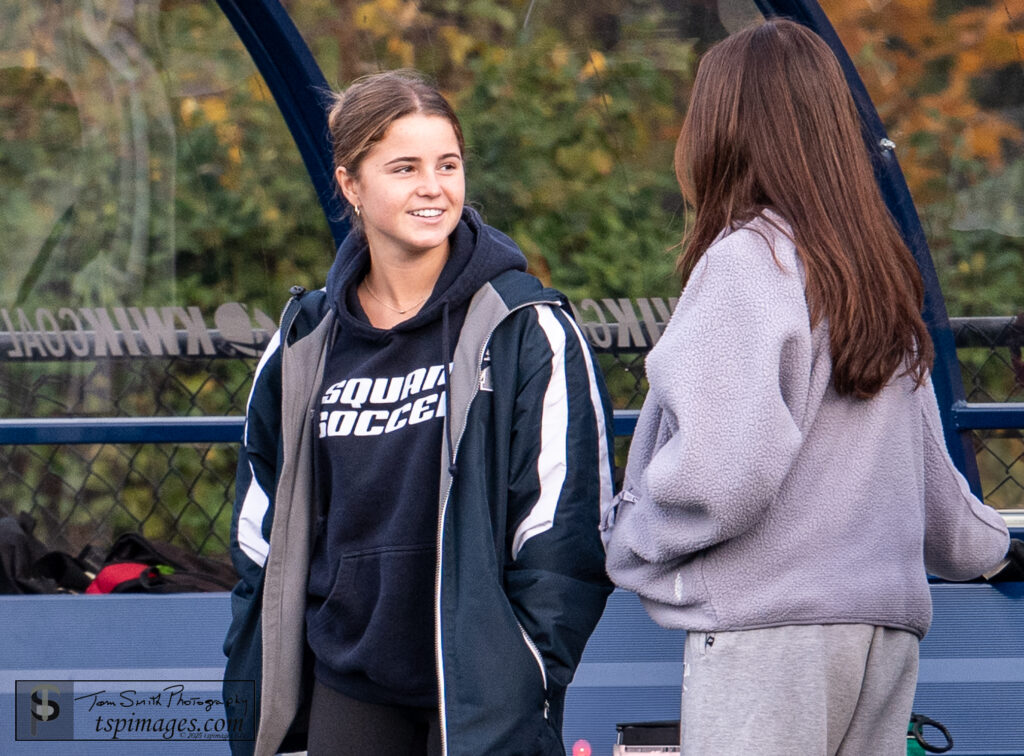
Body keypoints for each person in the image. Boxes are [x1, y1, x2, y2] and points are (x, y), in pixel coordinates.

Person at [601, 18, 1016, 756]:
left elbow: (720, 477)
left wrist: (627, 534)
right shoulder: (873, 276)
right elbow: (933, 485)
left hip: (769, 639)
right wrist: (995, 549)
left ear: (723, 131)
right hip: (880, 638)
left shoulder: (745, 263)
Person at [223, 70, 615, 756]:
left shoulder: (526, 328)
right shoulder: (304, 342)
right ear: (350, 184)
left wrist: (521, 669)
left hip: (483, 691)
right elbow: (260, 536)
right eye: (404, 167)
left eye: (448, 165)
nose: (433, 188)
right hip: (348, 682)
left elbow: (566, 530)